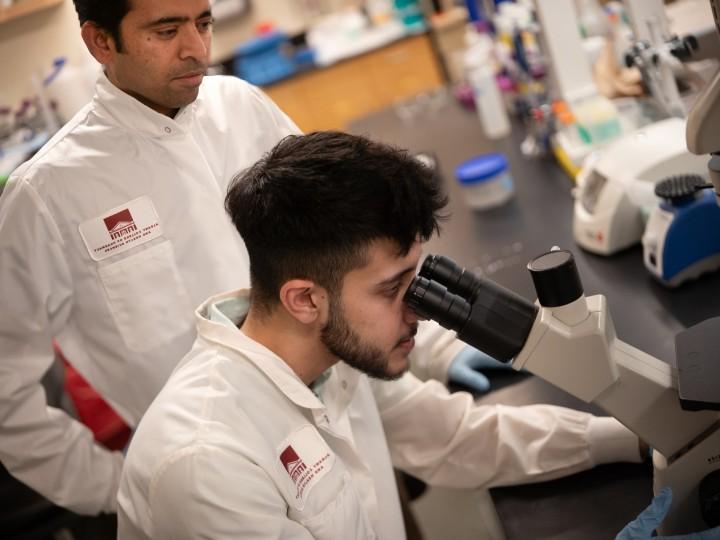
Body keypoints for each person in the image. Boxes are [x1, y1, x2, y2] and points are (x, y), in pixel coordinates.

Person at [0, 0, 502, 516]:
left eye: (203, 22)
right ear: (100, 41)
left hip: (346, 426)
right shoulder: (48, 194)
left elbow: (353, 253)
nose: (196, 48)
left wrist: (437, 347)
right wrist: (118, 489)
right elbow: (5, 392)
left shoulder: (241, 106)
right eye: (166, 30)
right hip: (217, 487)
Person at [116, 131, 706, 539]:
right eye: (393, 288)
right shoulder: (206, 465)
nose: (421, 312)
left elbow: (453, 440)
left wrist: (643, 439)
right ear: (304, 297)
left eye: (421, 280)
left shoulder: (324, 354)